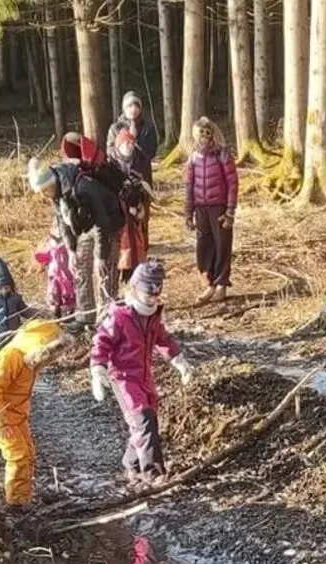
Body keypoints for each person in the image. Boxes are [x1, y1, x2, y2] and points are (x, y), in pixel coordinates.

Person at [89, 262, 194, 485]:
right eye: (148, 293)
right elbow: (101, 342)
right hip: (123, 378)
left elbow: (162, 339)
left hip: (145, 377)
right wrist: (98, 370)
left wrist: (178, 360)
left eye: (156, 294)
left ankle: (132, 465)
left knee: (146, 422)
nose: (152, 299)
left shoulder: (153, 317)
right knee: (143, 420)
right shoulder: (119, 317)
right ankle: (153, 473)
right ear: (135, 289)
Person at [0, 319, 72, 508]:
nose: (51, 359)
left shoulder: (30, 361)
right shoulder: (9, 358)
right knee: (17, 455)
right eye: (49, 353)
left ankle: (23, 494)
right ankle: (17, 503)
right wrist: (0, 421)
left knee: (28, 452)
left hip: (16, 414)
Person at [27, 154, 125, 331]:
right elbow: (63, 222)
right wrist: (71, 250)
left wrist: (101, 256)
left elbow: (102, 221)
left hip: (109, 222)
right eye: (41, 192)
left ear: (52, 181)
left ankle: (106, 318)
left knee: (104, 270)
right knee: (80, 265)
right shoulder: (56, 193)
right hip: (88, 225)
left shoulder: (82, 187)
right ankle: (85, 315)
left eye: (46, 190)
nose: (45, 195)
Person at [183, 117, 238, 304]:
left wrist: (230, 210)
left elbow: (232, 182)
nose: (204, 138)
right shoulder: (193, 157)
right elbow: (189, 186)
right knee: (203, 246)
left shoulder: (222, 154)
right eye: (200, 134)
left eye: (207, 133)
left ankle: (222, 282)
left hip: (219, 206)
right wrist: (188, 213)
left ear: (212, 134)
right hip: (201, 207)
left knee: (222, 243)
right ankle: (209, 283)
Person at [108, 128, 155, 282]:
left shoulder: (140, 160)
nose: (129, 145)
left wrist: (140, 203)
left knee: (136, 244)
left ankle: (134, 275)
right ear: (118, 145)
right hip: (117, 213)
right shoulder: (110, 164)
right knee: (121, 245)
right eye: (125, 142)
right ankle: (119, 275)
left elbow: (145, 185)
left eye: (131, 142)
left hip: (135, 212)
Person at [106, 91, 158, 184]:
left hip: (142, 176)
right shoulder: (115, 128)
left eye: (136, 106)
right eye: (129, 106)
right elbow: (110, 152)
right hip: (121, 175)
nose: (133, 109)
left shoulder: (148, 127)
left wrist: (134, 141)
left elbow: (151, 152)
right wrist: (122, 150)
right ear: (124, 108)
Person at [31, 227, 76, 320]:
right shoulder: (50, 247)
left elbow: (73, 258)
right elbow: (45, 257)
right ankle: (55, 313)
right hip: (54, 276)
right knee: (54, 293)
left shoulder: (68, 247)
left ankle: (69, 314)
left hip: (66, 276)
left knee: (68, 294)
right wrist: (38, 257)